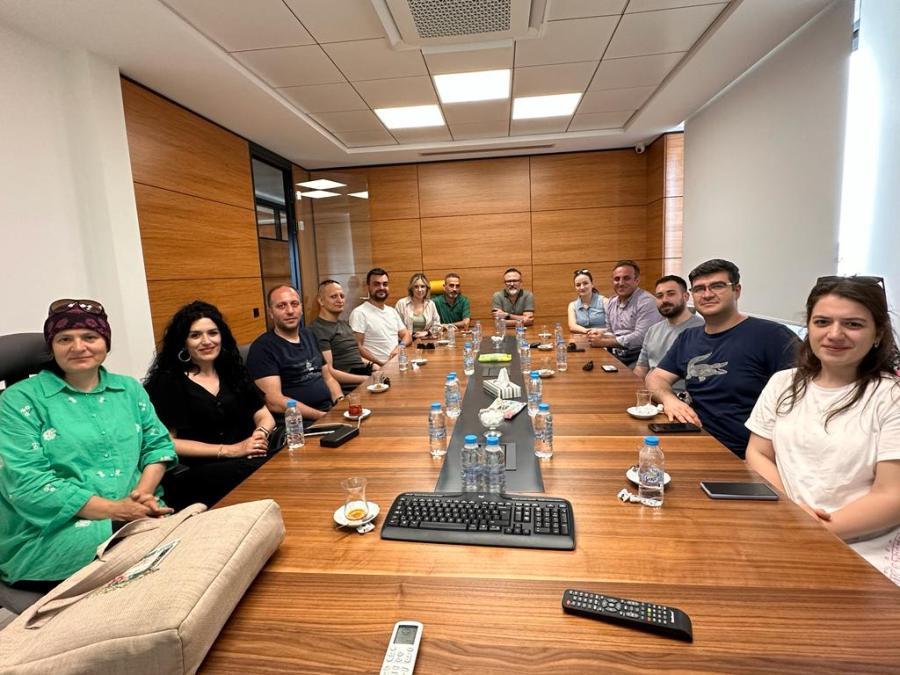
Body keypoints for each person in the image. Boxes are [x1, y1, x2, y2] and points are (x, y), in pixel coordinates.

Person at [0, 299, 176, 591]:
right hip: (51, 533)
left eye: (90, 337)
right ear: (52, 347)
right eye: (64, 339)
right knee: (167, 570)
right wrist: (118, 511)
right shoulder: (17, 400)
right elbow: (28, 483)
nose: (78, 347)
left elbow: (158, 446)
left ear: (106, 342)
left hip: (138, 515)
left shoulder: (129, 388)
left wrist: (141, 496)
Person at [745, 276, 900, 585]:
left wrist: (814, 530)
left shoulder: (891, 396)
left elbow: (892, 495)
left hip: (864, 547)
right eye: (822, 322)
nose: (834, 334)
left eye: (853, 324)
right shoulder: (783, 383)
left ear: (878, 334)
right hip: (785, 528)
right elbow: (758, 452)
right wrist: (791, 511)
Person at [647, 259, 799, 457]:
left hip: (745, 452)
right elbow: (655, 378)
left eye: (717, 286)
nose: (707, 294)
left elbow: (803, 401)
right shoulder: (689, 337)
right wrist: (670, 400)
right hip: (695, 438)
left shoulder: (773, 336)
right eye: (699, 289)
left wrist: (762, 457)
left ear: (737, 290)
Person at [144, 301, 276, 512]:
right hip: (198, 471)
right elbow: (168, 443)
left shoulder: (232, 370)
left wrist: (260, 434)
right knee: (269, 474)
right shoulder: (168, 382)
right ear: (183, 342)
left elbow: (263, 414)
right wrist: (231, 450)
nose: (206, 341)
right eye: (195, 335)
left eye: (212, 333)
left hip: (247, 459)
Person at [247, 286, 344, 421]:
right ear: (270, 312)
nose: (290, 311)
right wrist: (323, 417)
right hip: (297, 423)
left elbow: (328, 378)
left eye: (294, 304)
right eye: (281, 306)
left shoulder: (310, 335)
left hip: (329, 412)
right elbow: (274, 401)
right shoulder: (262, 348)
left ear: (301, 308)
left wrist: (341, 403)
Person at [633, 275, 705, 391]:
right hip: (651, 393)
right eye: (659, 296)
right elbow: (641, 368)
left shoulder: (703, 329)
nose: (664, 300)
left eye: (671, 294)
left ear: (686, 296)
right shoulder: (653, 330)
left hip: (681, 396)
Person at [589, 260, 664, 367]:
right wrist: (601, 335)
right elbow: (611, 332)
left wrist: (604, 341)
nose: (621, 283)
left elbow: (641, 337)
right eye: (617, 279)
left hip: (641, 357)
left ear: (636, 280)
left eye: (626, 278)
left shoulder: (647, 302)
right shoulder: (611, 302)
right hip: (617, 354)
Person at [310, 279, 377, 394]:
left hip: (364, 379)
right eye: (333, 296)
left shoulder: (344, 324)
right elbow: (329, 372)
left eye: (342, 296)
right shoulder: (318, 329)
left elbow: (354, 357)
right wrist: (366, 379)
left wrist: (376, 367)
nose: (340, 300)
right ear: (321, 301)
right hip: (349, 389)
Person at [349, 268, 412, 366]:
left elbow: (406, 335)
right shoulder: (359, 313)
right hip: (376, 369)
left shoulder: (392, 311)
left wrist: (400, 347)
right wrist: (380, 364)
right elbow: (357, 347)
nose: (381, 287)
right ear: (368, 287)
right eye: (376, 284)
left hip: (397, 365)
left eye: (385, 284)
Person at [395, 273, 441, 338]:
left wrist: (427, 332)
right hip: (405, 340)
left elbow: (437, 325)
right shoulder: (401, 303)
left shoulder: (431, 304)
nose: (420, 290)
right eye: (416, 287)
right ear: (411, 288)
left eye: (422, 286)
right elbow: (396, 326)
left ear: (427, 288)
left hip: (426, 340)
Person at [567, 268, 607, 335]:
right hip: (582, 339)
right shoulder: (572, 305)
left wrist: (598, 331)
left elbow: (614, 326)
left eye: (585, 283)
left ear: (592, 284)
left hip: (603, 338)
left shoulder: (604, 301)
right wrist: (587, 331)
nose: (582, 287)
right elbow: (572, 326)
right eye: (578, 285)